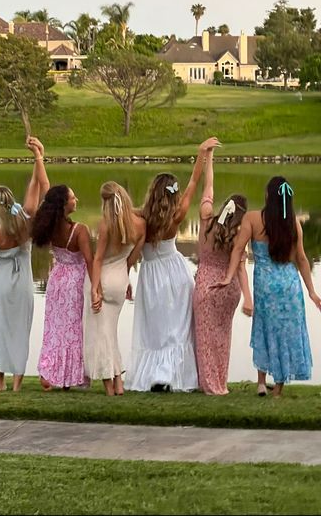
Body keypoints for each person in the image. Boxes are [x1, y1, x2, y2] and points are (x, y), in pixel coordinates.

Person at [214, 176, 321, 397]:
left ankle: (261, 383)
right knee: (285, 334)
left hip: (265, 284)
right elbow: (302, 259)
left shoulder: (253, 219)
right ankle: (279, 388)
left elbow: (237, 249)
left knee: (264, 330)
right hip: (289, 285)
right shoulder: (293, 223)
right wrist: (312, 292)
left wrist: (228, 277)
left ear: (267, 196)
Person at [125, 137, 221, 393]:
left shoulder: (139, 216)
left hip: (150, 275)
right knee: (178, 328)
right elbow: (194, 182)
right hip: (175, 272)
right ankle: (171, 376)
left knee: (154, 329)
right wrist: (202, 154)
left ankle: (156, 375)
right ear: (172, 193)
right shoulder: (178, 213)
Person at [0, 137, 49, 392]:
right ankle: (18, 384)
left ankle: (0, 383)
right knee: (19, 333)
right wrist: (38, 157)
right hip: (22, 288)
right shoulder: (25, 221)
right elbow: (38, 185)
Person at [192, 147, 252, 395]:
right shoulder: (238, 234)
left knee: (205, 338)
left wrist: (209, 157)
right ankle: (221, 383)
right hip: (228, 290)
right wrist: (248, 298)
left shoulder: (206, 219)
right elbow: (240, 269)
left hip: (206, 283)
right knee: (222, 337)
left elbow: (208, 186)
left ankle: (210, 385)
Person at [84, 181, 146, 396]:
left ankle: (110, 386)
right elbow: (132, 258)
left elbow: (98, 259)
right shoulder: (140, 225)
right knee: (111, 334)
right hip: (120, 280)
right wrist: (126, 279)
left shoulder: (106, 225)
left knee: (101, 336)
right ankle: (118, 382)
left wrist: (95, 288)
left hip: (103, 279)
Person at [31, 185, 93, 391]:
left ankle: (51, 372)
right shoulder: (78, 230)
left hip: (57, 279)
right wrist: (96, 288)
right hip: (75, 281)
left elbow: (46, 192)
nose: (77, 200)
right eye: (73, 198)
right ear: (64, 205)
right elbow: (90, 260)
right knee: (74, 328)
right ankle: (69, 375)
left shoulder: (49, 227)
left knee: (55, 329)